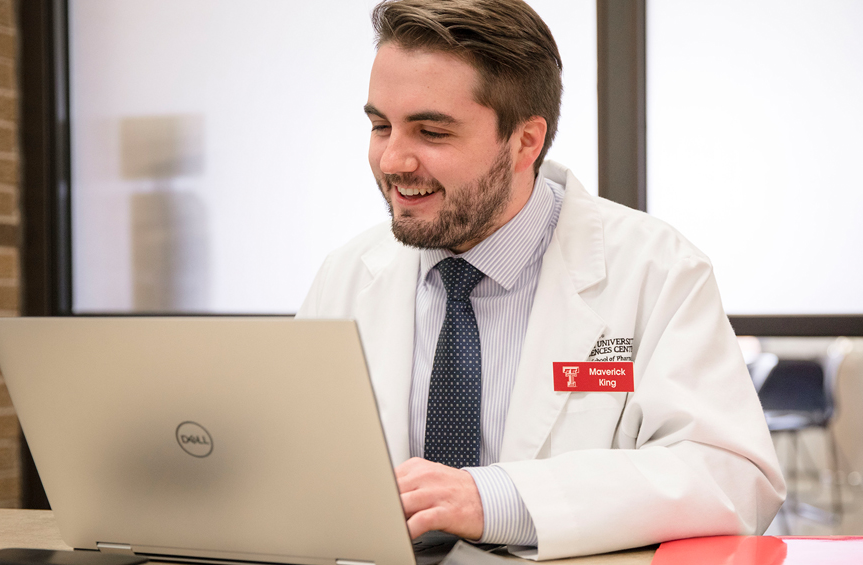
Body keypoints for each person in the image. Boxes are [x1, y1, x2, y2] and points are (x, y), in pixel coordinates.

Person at [297, 0, 785, 559]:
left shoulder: (655, 269)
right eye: (381, 126)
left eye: (431, 131)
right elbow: (286, 459)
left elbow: (731, 476)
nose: (392, 161)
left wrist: (494, 499)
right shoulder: (348, 273)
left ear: (525, 141)